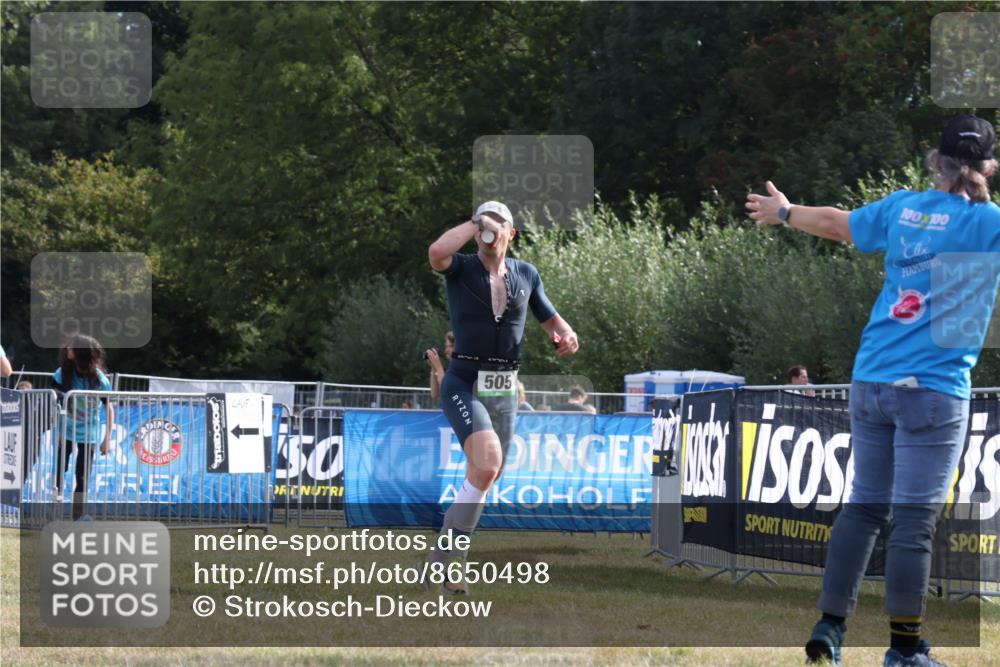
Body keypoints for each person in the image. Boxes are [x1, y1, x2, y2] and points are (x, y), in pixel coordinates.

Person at [747, 114, 999, 667]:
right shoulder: (989, 223)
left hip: (872, 379)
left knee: (863, 508)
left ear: (936, 161)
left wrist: (785, 212)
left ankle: (830, 627)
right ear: (989, 168)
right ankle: (905, 649)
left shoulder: (902, 208)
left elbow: (838, 224)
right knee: (913, 520)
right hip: (933, 390)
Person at [426, 200, 579, 593]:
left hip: (504, 385)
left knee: (487, 473)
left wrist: (566, 335)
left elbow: (549, 317)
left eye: (498, 227)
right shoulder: (461, 267)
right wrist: (476, 222)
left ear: (512, 233)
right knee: (487, 462)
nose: (490, 233)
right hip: (465, 379)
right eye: (483, 228)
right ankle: (454, 563)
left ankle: (440, 556)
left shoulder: (526, 273)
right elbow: (436, 253)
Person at [53, 334, 115, 521]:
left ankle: (78, 517)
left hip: (89, 433)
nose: (67, 350)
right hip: (67, 430)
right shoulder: (61, 374)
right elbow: (54, 404)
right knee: (59, 471)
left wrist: (107, 439)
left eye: (71, 348)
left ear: (81, 353)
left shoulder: (100, 380)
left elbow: (109, 408)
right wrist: (59, 431)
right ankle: (54, 510)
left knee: (82, 476)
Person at [426, 331, 455, 401]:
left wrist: (438, 367)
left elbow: (448, 391)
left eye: (451, 346)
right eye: (446, 347)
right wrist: (434, 367)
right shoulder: (452, 368)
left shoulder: (467, 368)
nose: (446, 350)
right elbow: (435, 394)